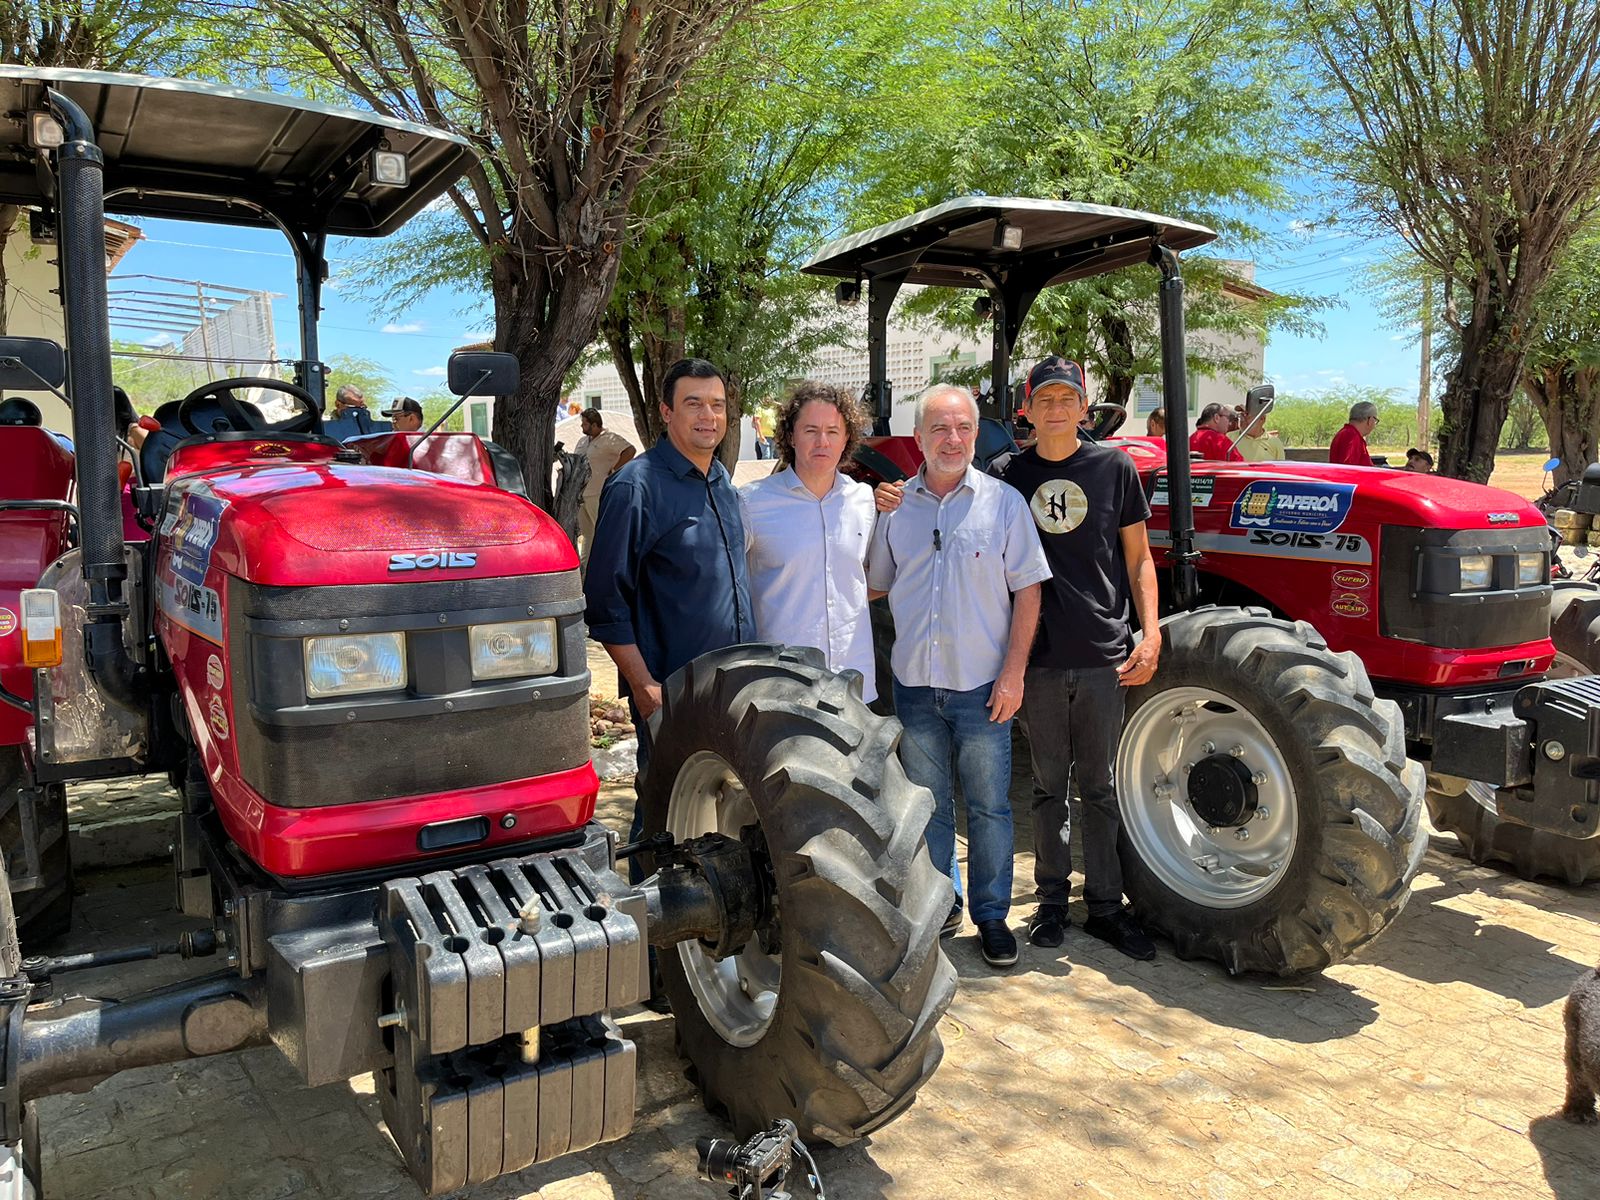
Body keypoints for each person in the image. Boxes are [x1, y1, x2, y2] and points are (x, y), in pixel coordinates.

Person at [866, 383, 1051, 970]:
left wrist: (1014, 674)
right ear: (918, 437)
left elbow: (1029, 591)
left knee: (991, 806)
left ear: (977, 434)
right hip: (916, 686)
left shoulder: (1004, 504)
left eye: (963, 428)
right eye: (939, 429)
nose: (952, 439)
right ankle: (943, 900)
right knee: (931, 804)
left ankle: (992, 917)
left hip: (982, 688)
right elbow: (875, 584)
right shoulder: (897, 510)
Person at [999, 358, 1162, 961]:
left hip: (1102, 655)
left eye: (1068, 398)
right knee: (1046, 787)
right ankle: (1048, 904)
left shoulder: (1113, 467)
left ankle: (1105, 908)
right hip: (1037, 658)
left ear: (1084, 408)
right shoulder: (1006, 474)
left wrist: (1151, 634)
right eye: (1045, 399)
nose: (1057, 409)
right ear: (1028, 409)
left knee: (1099, 786)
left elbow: (1139, 558)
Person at [583, 358, 752, 872]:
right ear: (665, 412)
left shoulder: (720, 478)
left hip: (730, 685)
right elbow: (605, 601)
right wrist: (644, 686)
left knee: (711, 813)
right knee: (663, 817)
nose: (708, 416)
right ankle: (654, 940)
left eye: (717, 404)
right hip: (671, 691)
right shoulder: (637, 487)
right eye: (693, 403)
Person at [738, 381, 877, 698]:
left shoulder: (863, 500)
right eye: (811, 430)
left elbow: (866, 577)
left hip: (852, 679)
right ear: (790, 436)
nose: (822, 442)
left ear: (847, 439)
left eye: (832, 431)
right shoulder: (751, 503)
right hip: (784, 681)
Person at [573, 408, 636, 571]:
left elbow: (630, 450)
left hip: (599, 493)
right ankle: (585, 572)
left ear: (594, 425)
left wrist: (614, 471)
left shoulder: (609, 439)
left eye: (585, 423)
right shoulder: (582, 441)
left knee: (603, 532)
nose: (582, 426)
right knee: (587, 536)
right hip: (582, 494)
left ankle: (610, 568)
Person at [1235, 392, 1285, 462]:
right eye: (1241, 415)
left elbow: (1280, 468)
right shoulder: (1229, 438)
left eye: (1247, 415)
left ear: (1262, 419)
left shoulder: (1274, 442)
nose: (1242, 419)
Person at [1330, 400, 1379, 466]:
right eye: (1375, 420)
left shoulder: (1346, 433)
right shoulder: (1352, 437)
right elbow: (1349, 470)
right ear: (1370, 420)